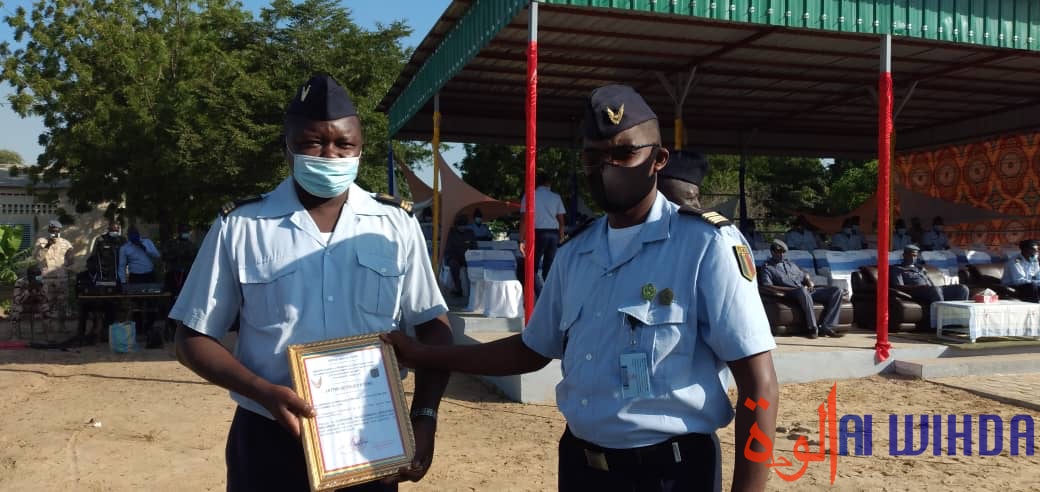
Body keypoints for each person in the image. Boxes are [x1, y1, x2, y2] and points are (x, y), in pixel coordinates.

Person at [384, 84, 778, 492]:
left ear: (658, 159)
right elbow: (532, 349)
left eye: (624, 153)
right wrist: (430, 354)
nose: (607, 167)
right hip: (581, 467)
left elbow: (758, 383)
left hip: (670, 474)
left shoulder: (704, 245)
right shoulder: (577, 253)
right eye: (593, 156)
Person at [169, 73, 453, 492]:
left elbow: (434, 327)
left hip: (371, 436)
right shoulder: (242, 226)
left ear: (360, 148)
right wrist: (262, 390)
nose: (330, 154)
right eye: (312, 143)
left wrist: (424, 416)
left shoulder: (396, 224)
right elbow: (191, 337)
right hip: (268, 437)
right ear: (287, 147)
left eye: (343, 144)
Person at [759, 239, 844, 339]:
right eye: (778, 252)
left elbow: (804, 275)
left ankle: (827, 327)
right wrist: (788, 290)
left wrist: (809, 282)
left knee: (837, 291)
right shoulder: (767, 268)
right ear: (772, 252)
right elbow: (767, 286)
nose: (781, 255)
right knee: (802, 291)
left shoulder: (791, 264)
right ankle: (812, 328)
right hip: (789, 293)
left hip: (805, 291)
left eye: (783, 252)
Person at [890, 244, 969, 325]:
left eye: (915, 256)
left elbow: (930, 282)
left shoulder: (920, 268)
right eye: (910, 255)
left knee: (962, 288)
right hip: (916, 290)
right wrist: (918, 287)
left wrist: (933, 287)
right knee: (935, 290)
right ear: (904, 255)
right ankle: (941, 322)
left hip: (931, 290)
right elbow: (898, 286)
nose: (913, 258)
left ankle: (960, 320)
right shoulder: (898, 269)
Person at [520, 171, 566, 289]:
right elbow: (561, 220)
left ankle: (539, 294)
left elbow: (524, 220)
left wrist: (521, 240)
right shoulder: (556, 197)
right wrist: (561, 237)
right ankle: (549, 293)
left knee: (532, 267)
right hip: (553, 233)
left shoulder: (529, 195)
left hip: (537, 233)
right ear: (549, 183)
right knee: (549, 267)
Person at [32, 219, 74, 319]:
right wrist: (47, 245)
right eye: (52, 231)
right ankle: (46, 329)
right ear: (49, 230)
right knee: (45, 302)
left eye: (57, 231)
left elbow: (71, 260)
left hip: (61, 279)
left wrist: (63, 268)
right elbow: (38, 258)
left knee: (62, 303)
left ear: (60, 231)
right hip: (46, 279)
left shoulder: (66, 243)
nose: (55, 233)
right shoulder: (41, 242)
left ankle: (62, 326)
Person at [75, 255, 116, 344]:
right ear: (87, 265)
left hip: (103, 301)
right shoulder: (81, 276)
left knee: (112, 308)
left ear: (98, 265)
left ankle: (105, 333)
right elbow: (77, 291)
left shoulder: (105, 275)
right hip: (88, 302)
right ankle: (81, 334)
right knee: (82, 310)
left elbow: (115, 288)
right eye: (90, 264)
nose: (92, 266)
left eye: (95, 264)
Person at [9, 265, 51, 336]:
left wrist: (38, 292)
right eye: (36, 276)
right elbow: (17, 300)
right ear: (30, 276)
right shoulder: (20, 282)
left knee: (46, 308)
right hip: (23, 305)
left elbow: (45, 299)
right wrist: (28, 291)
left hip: (36, 305)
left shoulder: (42, 283)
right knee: (15, 311)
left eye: (39, 275)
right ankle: (14, 335)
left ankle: (48, 334)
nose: (38, 278)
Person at [444, 214, 476, 297]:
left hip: (468, 257)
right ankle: (458, 289)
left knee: (476, 265)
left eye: (464, 225)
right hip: (454, 257)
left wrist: (471, 256)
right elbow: (448, 249)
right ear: (456, 225)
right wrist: (452, 257)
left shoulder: (470, 233)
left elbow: (474, 247)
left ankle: (475, 290)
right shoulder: (451, 233)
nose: (462, 227)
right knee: (454, 265)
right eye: (460, 225)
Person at [162, 223, 198, 297]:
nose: (185, 233)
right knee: (171, 295)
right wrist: (176, 255)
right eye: (183, 231)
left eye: (187, 231)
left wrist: (186, 255)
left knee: (186, 295)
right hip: (173, 273)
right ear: (179, 232)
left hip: (186, 274)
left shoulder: (192, 245)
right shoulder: (171, 243)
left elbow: (196, 259)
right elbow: (164, 256)